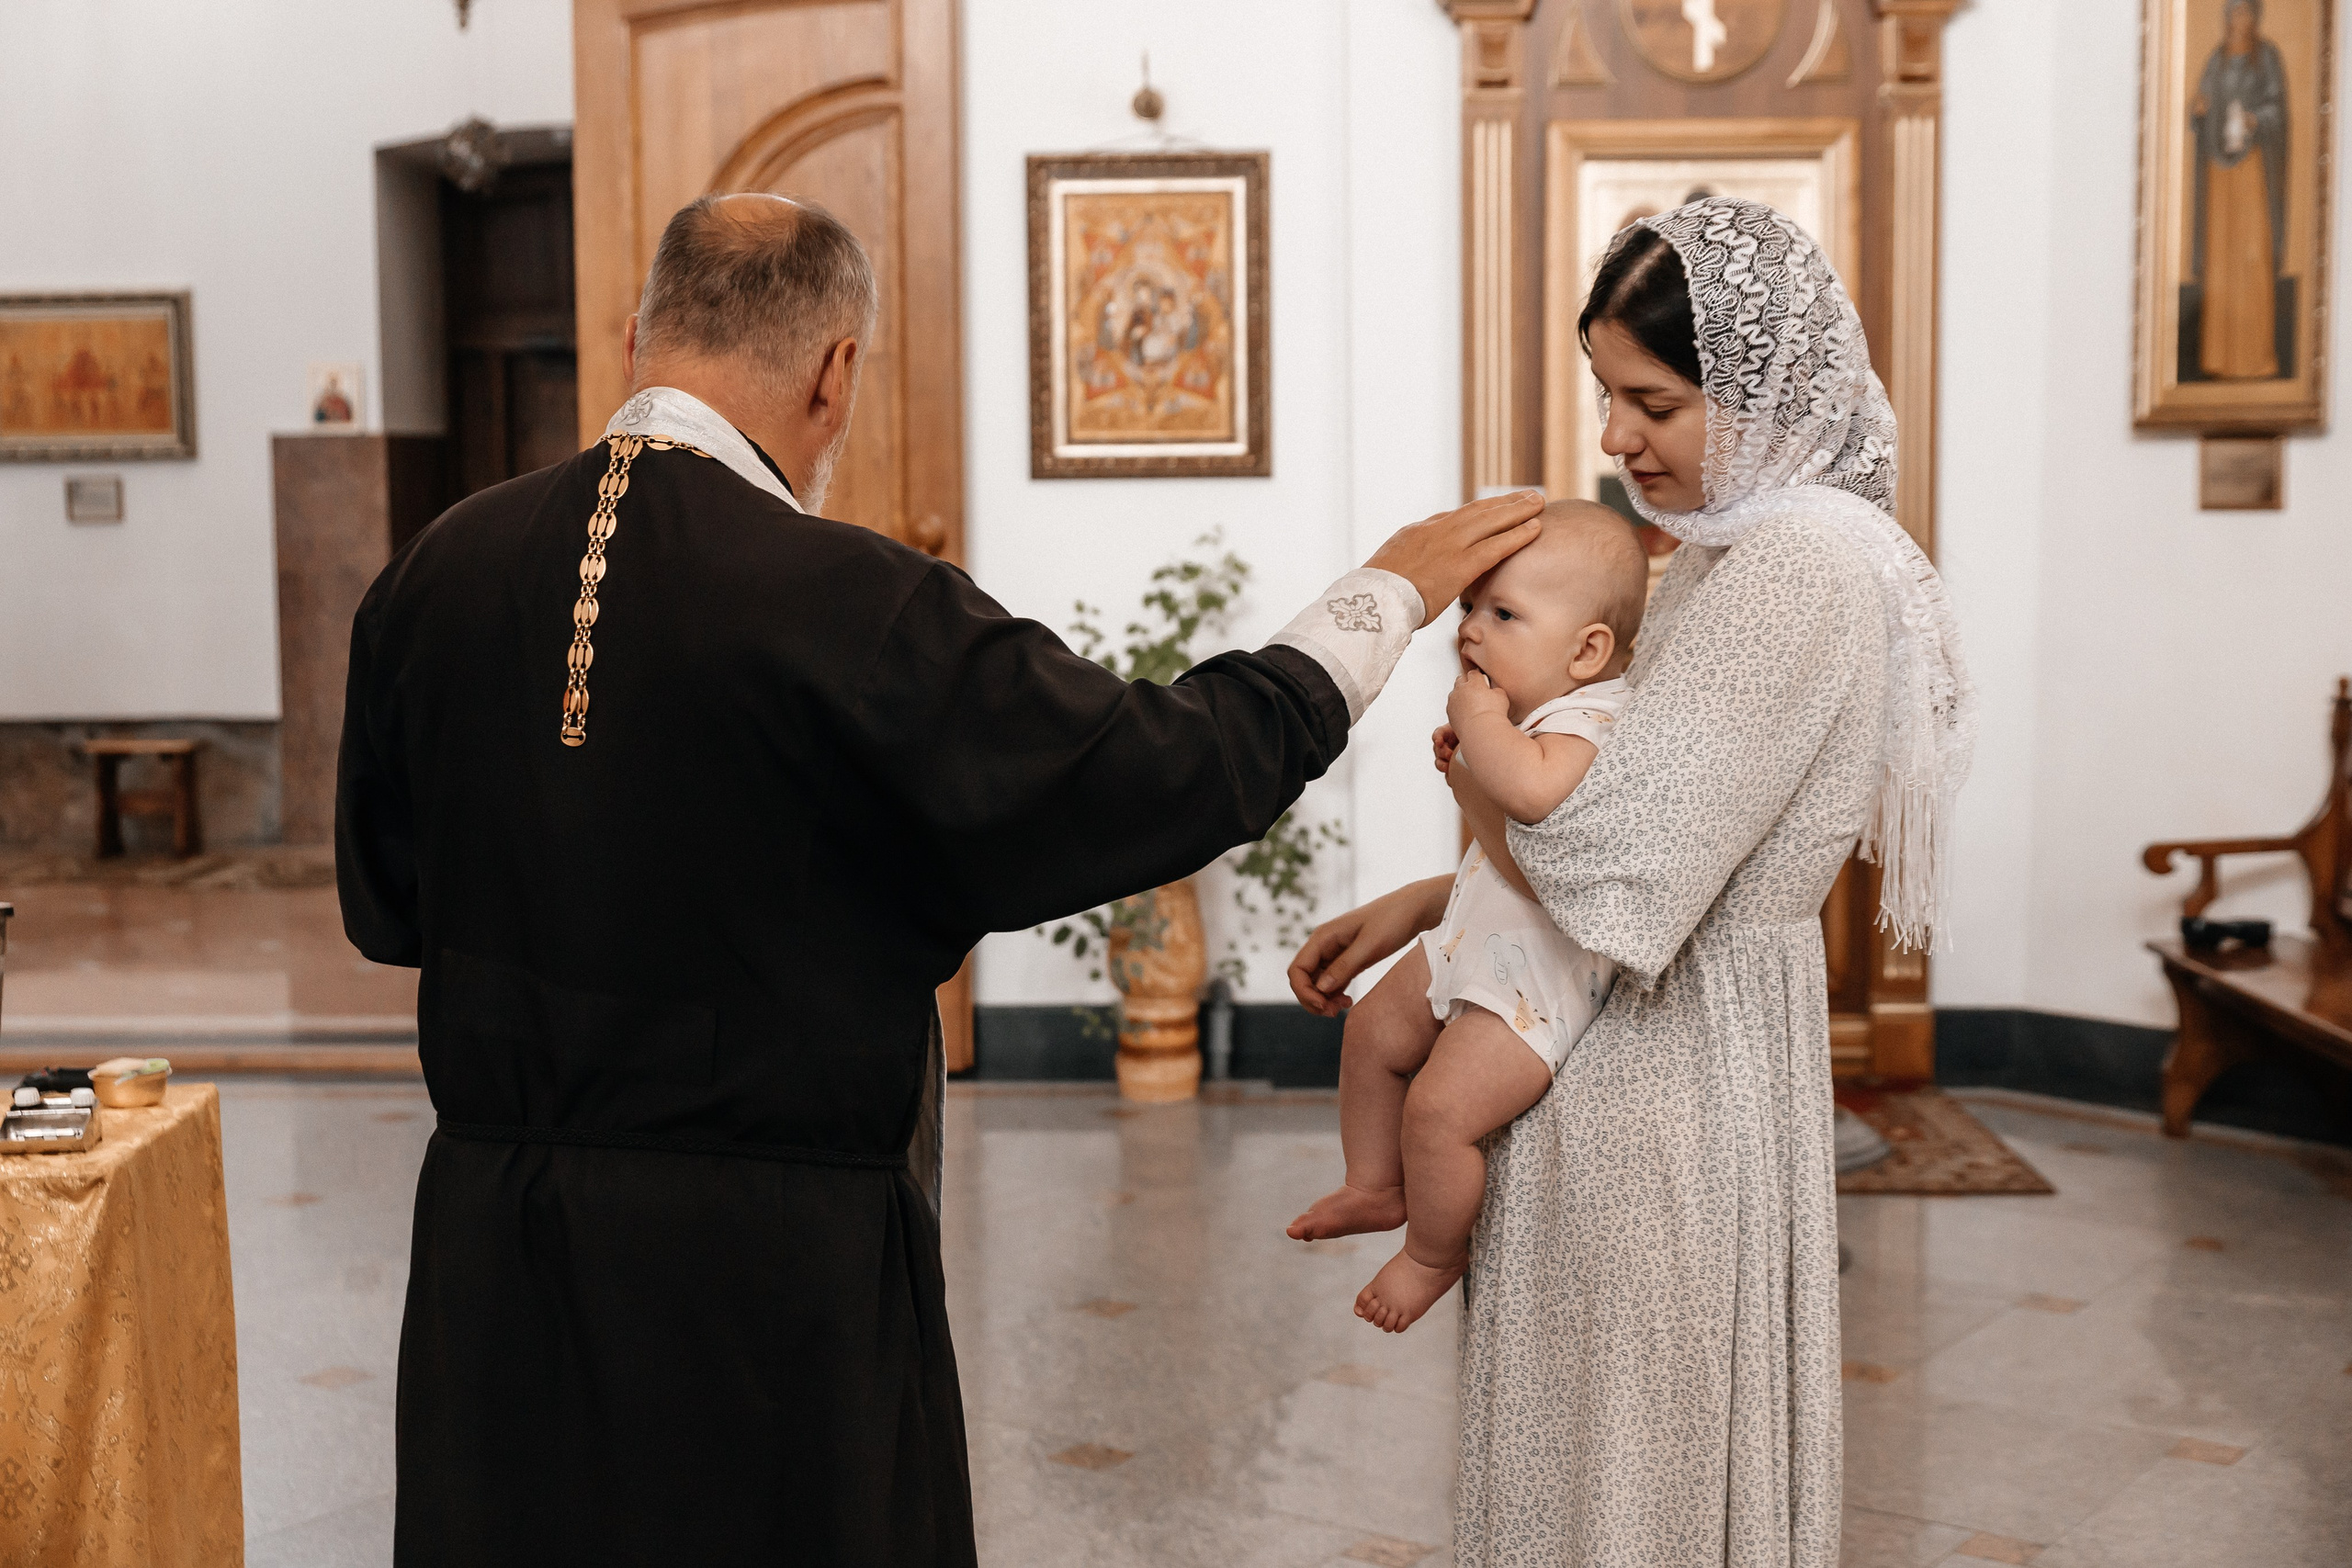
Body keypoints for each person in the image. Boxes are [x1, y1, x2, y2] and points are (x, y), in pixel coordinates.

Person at [335, 191, 1544, 1568]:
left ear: (634, 343)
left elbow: (387, 906)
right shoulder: (852, 597)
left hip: (501, 1252)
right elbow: (1154, 767)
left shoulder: (426, 576)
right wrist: (1384, 590)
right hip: (765, 1272)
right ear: (836, 369)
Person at [1287, 197, 1975, 1565]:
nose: (1613, 440)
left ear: (1760, 386)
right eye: (1608, 396)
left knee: (1632, 1475)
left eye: (1651, 401)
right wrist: (1430, 901)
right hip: (1623, 1025)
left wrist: (1474, 766)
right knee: (1599, 1451)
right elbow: (1620, 806)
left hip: (1666, 1067)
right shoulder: (1744, 544)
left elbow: (1620, 858)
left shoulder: (1798, 569)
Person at [1283, 500, 1647, 1334]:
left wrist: (1482, 734)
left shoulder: (1597, 718)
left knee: (1442, 1111)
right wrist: (1487, 747)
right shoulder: (1538, 716)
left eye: (1504, 614)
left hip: (1534, 987)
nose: (1471, 630)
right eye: (1472, 608)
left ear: (1588, 649)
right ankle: (1375, 1184)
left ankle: (1433, 1253)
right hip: (1472, 939)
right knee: (1373, 1027)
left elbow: (1534, 793)